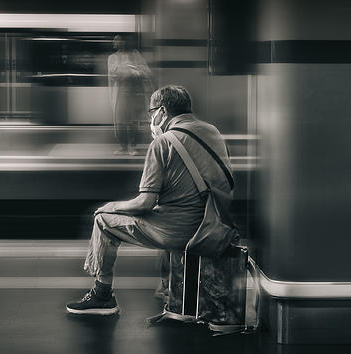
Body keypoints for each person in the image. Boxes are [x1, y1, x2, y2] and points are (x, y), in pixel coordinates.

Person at [66, 85, 233, 315]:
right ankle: (168, 288)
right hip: (214, 225)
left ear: (162, 112)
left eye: (151, 112)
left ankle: (102, 296)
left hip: (182, 231)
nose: (150, 119)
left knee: (103, 221)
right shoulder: (213, 132)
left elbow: (145, 203)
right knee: (168, 210)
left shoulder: (162, 143)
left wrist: (111, 206)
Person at [107, 35, 152, 156]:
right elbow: (112, 74)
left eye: (118, 39)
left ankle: (132, 146)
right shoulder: (112, 58)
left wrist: (133, 72)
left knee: (133, 121)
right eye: (114, 39)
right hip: (119, 94)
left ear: (124, 41)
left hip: (134, 93)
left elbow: (146, 72)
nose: (115, 42)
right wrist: (124, 71)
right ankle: (123, 146)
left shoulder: (135, 55)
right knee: (120, 121)